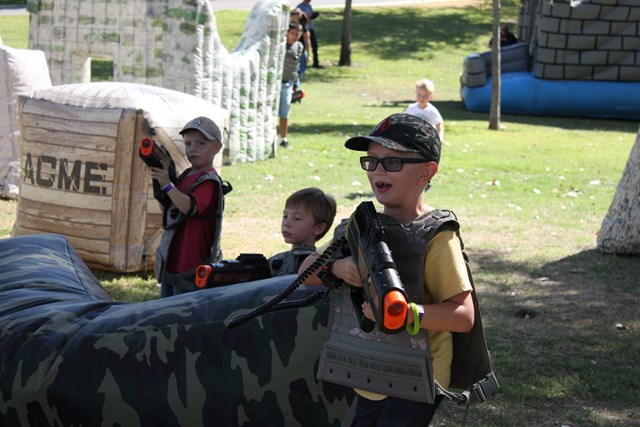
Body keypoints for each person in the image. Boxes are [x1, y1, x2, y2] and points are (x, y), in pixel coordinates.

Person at [298, 113, 475, 426]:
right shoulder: (362, 228)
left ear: (426, 172)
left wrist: (405, 314)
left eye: (392, 162)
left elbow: (463, 316)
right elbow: (305, 273)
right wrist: (339, 267)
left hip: (419, 376)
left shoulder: (436, 237)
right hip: (369, 370)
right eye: (372, 161)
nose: (378, 170)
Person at [149, 116, 226, 298]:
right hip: (171, 260)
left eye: (201, 143)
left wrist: (168, 185)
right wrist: (161, 188)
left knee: (183, 310)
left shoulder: (210, 182)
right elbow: (170, 212)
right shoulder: (186, 176)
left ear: (217, 147)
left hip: (192, 264)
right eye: (188, 143)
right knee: (165, 309)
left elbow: (188, 207)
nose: (192, 149)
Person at [269, 187, 337, 277]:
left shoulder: (319, 265)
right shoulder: (276, 260)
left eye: (297, 218)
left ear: (318, 228)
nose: (286, 223)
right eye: (285, 216)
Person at [279, 23, 304, 149]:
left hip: (288, 84)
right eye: (292, 33)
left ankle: (284, 139)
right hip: (276, 84)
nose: (294, 36)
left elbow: (296, 66)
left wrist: (295, 84)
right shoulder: (280, 44)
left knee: (285, 113)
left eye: (297, 34)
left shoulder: (299, 46)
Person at [405, 78, 444, 143]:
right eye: (419, 95)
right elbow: (405, 123)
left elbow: (439, 125)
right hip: (413, 139)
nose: (421, 98)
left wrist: (440, 138)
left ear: (431, 96)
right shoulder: (411, 108)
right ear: (416, 93)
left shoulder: (432, 110)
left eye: (425, 96)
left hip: (427, 140)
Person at [296, 0, 322, 68]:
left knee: (315, 46)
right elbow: (300, 19)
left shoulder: (309, 6)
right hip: (303, 30)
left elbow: (310, 16)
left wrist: (313, 16)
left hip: (310, 28)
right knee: (303, 47)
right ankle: (301, 63)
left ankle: (316, 63)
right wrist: (309, 17)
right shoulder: (299, 7)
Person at [290, 8, 311, 82]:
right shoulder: (288, 25)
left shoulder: (303, 27)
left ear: (300, 15)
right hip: (289, 50)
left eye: (296, 13)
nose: (293, 15)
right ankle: (294, 83)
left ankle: (295, 83)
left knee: (301, 68)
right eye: (292, 13)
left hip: (300, 51)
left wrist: (309, 54)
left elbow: (307, 40)